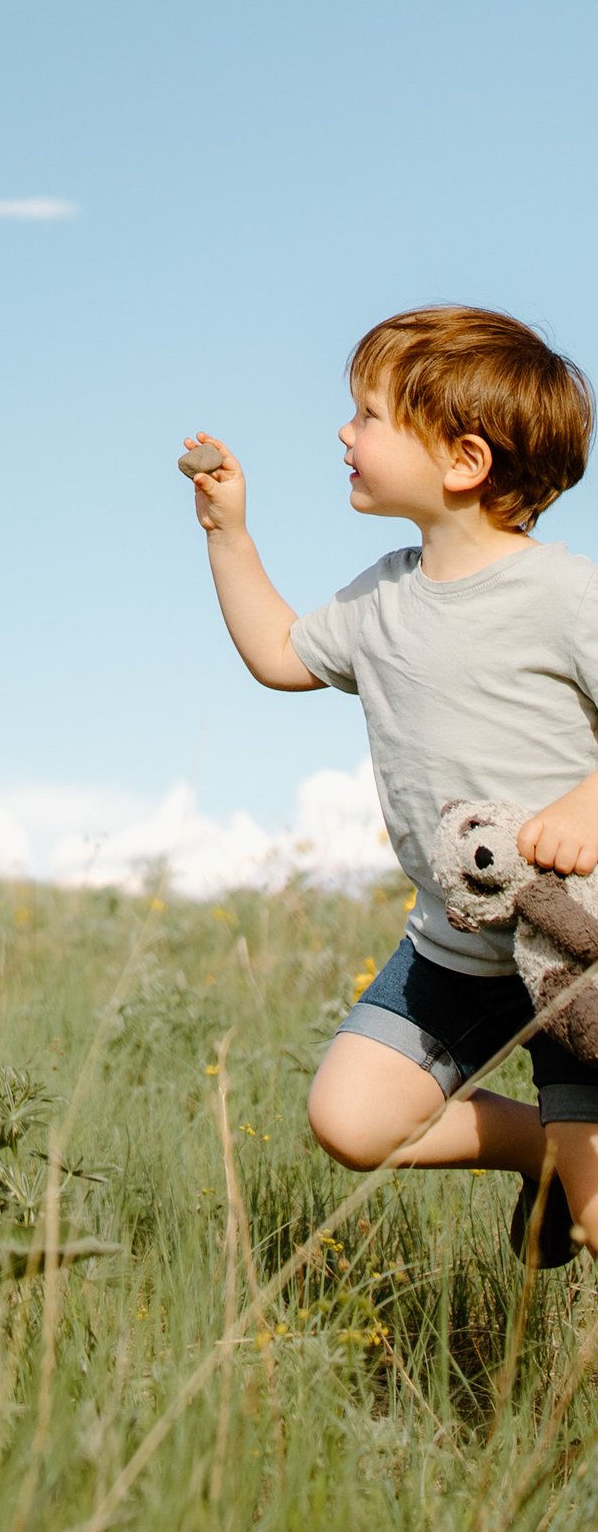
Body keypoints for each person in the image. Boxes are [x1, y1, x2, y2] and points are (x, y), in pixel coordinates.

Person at [181, 304, 598, 1265]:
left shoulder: (564, 596)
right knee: (353, 1120)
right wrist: (228, 534)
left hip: (576, 951)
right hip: (455, 943)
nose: (344, 431)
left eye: (368, 415)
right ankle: (541, 1152)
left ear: (463, 461)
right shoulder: (383, 594)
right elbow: (283, 655)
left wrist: (583, 806)